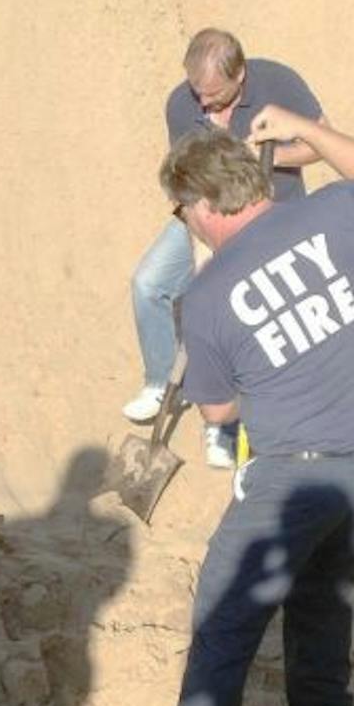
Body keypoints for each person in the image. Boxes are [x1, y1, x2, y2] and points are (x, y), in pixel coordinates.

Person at [126, 107, 354, 706]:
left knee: (223, 629)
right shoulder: (331, 214)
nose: (184, 221)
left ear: (203, 204)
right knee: (325, 589)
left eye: (181, 209)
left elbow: (218, 411)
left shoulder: (207, 298)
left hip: (291, 481)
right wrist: (313, 132)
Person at [125, 28, 325, 469]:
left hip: (274, 220)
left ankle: (228, 429)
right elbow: (187, 185)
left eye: (214, 95)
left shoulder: (279, 83)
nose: (203, 103)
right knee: (149, 284)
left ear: (240, 76)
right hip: (206, 219)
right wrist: (202, 252)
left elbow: (319, 142)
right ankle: (163, 382)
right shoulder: (181, 104)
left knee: (244, 322)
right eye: (197, 92)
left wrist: (269, 156)